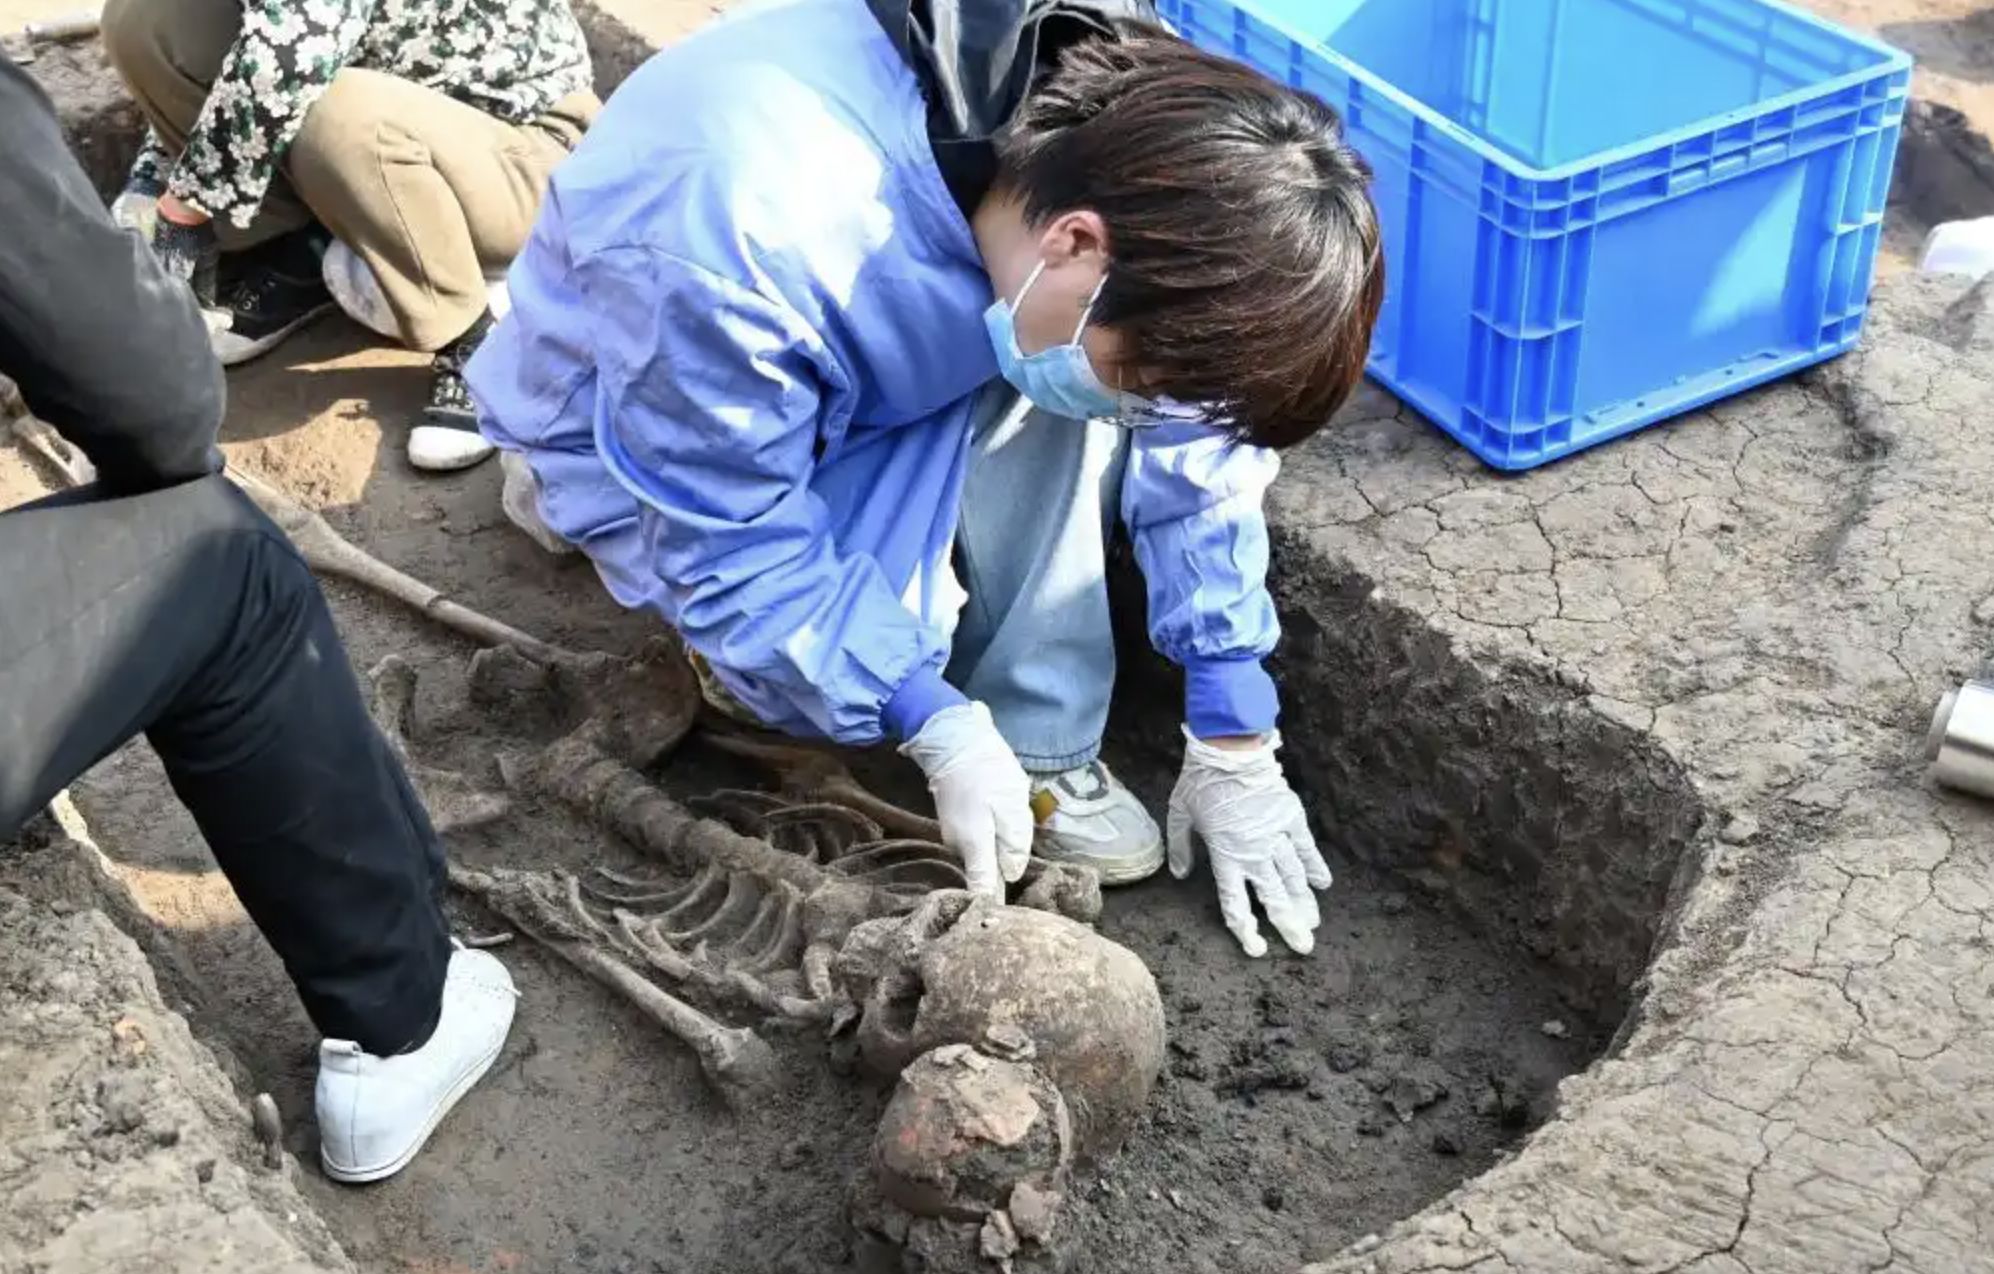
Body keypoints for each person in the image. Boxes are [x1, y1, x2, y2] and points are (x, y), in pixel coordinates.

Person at [469, 0, 1385, 958]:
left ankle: (1041, 745)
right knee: (863, 617)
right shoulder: (741, 229)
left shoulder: (1133, 136)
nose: (1152, 409)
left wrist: (1232, 705)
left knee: (1086, 385)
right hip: (657, 419)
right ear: (1072, 243)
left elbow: (1195, 416)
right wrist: (919, 707)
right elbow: (730, 541)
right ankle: (582, 517)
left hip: (889, 354)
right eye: (1148, 381)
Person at [0, 58, 514, 1183]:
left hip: (495, 147)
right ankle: (402, 1015)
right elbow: (160, 405)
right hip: (346, 148)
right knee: (224, 556)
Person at [97, 0, 599, 472]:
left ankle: (474, 341)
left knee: (335, 115)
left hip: (521, 151)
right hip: (380, 97)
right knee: (147, 19)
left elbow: (291, 55)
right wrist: (153, 177)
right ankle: (301, 243)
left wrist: (185, 206)